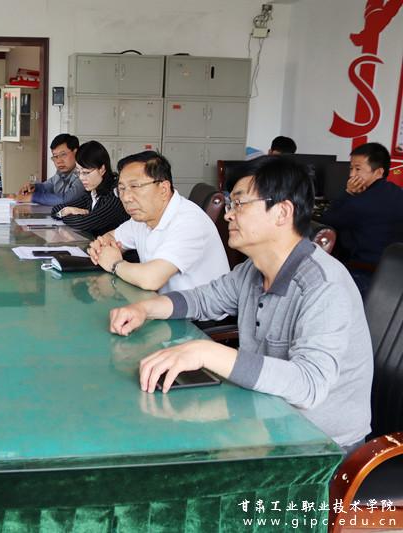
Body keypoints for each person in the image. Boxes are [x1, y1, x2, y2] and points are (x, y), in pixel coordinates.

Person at [109, 156, 373, 451]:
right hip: (264, 415)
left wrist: (206, 352)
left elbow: (309, 385)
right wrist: (145, 309)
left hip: (320, 444)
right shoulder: (253, 270)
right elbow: (202, 299)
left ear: (282, 212)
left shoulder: (323, 286)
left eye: (239, 204)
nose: (228, 216)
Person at [88, 151, 229, 292]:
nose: (126, 198)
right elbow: (112, 237)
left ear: (163, 189)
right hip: (160, 301)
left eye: (135, 186)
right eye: (122, 189)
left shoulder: (189, 222)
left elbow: (151, 279)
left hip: (198, 306)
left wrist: (115, 264)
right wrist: (102, 247)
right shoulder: (142, 217)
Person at [320, 142, 403, 296]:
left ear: (378, 172)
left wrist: (347, 193)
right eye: (351, 168)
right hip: (395, 277)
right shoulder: (398, 193)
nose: (352, 175)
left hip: (363, 274)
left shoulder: (360, 202)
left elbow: (327, 221)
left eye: (358, 169)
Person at [50, 141, 129, 236]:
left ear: (102, 169)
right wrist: (66, 212)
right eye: (78, 172)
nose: (81, 178)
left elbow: (82, 223)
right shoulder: (93, 192)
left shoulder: (116, 194)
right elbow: (56, 210)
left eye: (86, 172)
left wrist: (70, 212)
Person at [17, 134, 84, 206]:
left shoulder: (84, 173)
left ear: (76, 152)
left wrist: (33, 197)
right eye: (55, 156)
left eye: (63, 155)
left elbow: (65, 199)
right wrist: (34, 188)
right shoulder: (61, 173)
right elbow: (47, 186)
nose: (58, 161)